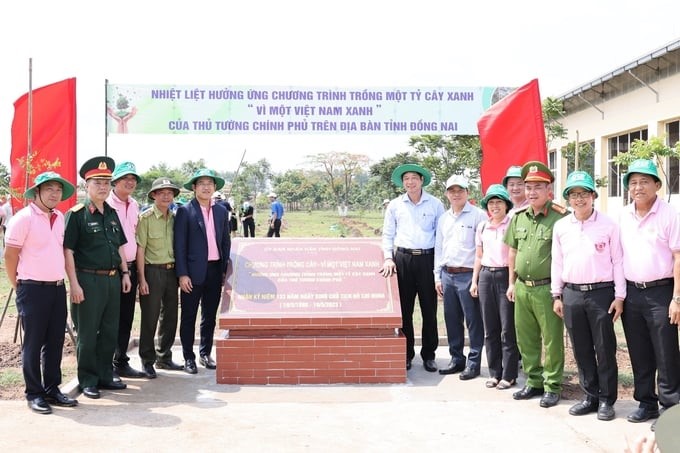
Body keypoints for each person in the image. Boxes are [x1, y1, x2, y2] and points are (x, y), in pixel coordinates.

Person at [551, 171, 625, 421]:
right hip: (571, 293)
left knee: (605, 348)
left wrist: (620, 296)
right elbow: (557, 263)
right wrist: (556, 295)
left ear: (593, 195)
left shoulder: (609, 224)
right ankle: (590, 396)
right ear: (568, 199)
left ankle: (606, 399)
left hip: (601, 294)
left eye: (584, 193)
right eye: (573, 194)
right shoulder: (561, 226)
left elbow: (618, 261)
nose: (579, 199)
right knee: (581, 349)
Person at [3, 172, 79, 414]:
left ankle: (52, 389)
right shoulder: (23, 218)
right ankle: (34, 393)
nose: (54, 193)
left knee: (55, 342)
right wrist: (18, 284)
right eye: (49, 189)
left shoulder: (59, 217)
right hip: (31, 288)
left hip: (57, 288)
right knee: (33, 344)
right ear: (37, 192)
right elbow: (10, 256)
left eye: (58, 189)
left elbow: (63, 253)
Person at [618, 159, 680, 424]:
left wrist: (676, 298)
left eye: (644, 181)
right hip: (632, 293)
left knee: (665, 352)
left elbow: (678, 256)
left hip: (661, 293)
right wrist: (620, 296)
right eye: (633, 182)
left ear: (657, 184)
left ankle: (670, 408)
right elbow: (617, 257)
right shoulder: (622, 216)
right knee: (639, 351)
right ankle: (646, 403)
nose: (638, 187)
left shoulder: (670, 214)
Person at [64, 156, 131, 399]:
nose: (103, 187)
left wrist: (125, 273)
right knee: (88, 333)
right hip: (88, 281)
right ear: (86, 185)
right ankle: (88, 379)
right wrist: (74, 284)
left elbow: (121, 246)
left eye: (106, 182)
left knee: (109, 330)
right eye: (97, 182)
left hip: (113, 279)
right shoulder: (77, 214)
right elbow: (68, 251)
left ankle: (105, 374)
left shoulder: (111, 213)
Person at [504, 160, 568, 408]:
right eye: (528, 187)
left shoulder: (560, 218)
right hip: (521, 288)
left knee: (552, 340)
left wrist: (559, 293)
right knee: (526, 338)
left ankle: (552, 385)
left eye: (537, 187)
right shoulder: (518, 217)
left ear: (548, 189)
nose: (531, 192)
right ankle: (533, 381)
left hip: (547, 289)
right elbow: (512, 252)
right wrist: (511, 283)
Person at [380, 163, 445, 372]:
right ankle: (406, 354)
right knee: (405, 310)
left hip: (427, 259)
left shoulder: (435, 204)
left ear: (422, 180)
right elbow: (388, 234)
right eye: (406, 178)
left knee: (429, 309)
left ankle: (429, 355)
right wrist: (388, 258)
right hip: (403, 260)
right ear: (403, 182)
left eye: (414, 178)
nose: (410, 182)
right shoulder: (395, 205)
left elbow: (441, 237)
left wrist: (438, 269)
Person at [174, 168, 231, 374]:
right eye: (202, 183)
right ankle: (188, 357)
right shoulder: (185, 211)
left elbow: (225, 241)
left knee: (209, 315)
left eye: (210, 183)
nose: (206, 187)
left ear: (215, 187)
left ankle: (205, 353)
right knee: (188, 316)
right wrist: (182, 274)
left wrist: (225, 270)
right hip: (192, 273)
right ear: (194, 188)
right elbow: (179, 245)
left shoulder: (221, 211)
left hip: (215, 270)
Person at [435, 174, 487, 379]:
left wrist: (476, 278)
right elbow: (439, 247)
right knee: (451, 319)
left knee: (473, 321)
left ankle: (473, 362)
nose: (456, 194)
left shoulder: (478, 216)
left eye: (460, 190)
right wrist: (437, 276)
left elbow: (483, 249)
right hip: (447, 274)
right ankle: (456, 358)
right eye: (452, 191)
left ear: (467, 192)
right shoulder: (443, 218)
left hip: (468, 275)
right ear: (447, 194)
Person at [469, 184, 519, 390]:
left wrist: (511, 283)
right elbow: (479, 256)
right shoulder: (482, 226)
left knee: (507, 329)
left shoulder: (512, 224)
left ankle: (509, 374)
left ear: (506, 205)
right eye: (491, 202)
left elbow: (512, 256)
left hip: (504, 276)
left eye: (499, 201)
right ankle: (494, 373)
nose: (495, 206)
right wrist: (474, 280)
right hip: (486, 277)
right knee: (490, 329)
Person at [136, 178, 184, 377]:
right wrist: (142, 279)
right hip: (152, 271)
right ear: (153, 195)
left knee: (170, 317)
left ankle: (164, 357)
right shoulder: (145, 218)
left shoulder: (175, 218)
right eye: (161, 192)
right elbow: (141, 249)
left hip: (172, 271)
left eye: (170, 193)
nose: (166, 196)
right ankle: (147, 360)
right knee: (150, 317)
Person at [107, 161, 146, 380]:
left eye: (133, 179)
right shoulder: (106, 204)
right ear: (115, 182)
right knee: (110, 318)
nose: (130, 183)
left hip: (130, 269)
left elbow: (135, 237)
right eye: (125, 179)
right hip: (112, 270)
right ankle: (108, 363)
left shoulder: (134, 204)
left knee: (126, 317)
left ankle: (120, 361)